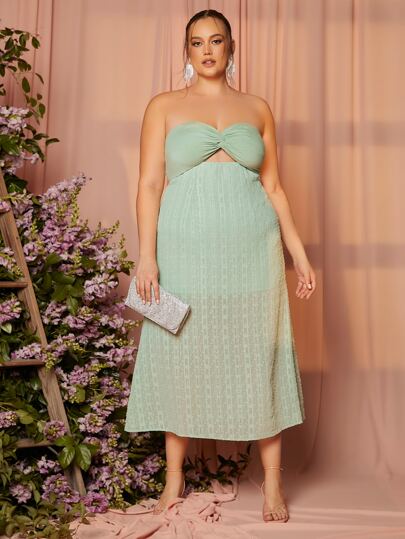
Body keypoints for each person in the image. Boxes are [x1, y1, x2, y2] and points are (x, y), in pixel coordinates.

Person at [124, 8, 316, 523]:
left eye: (215, 41)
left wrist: (298, 254)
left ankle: (272, 482)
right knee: (180, 353)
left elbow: (274, 187)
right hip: (183, 248)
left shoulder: (257, 108)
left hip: (252, 249)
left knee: (260, 353)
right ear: (186, 50)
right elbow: (149, 184)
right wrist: (147, 255)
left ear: (231, 47)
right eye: (196, 42)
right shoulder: (164, 106)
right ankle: (174, 477)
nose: (206, 50)